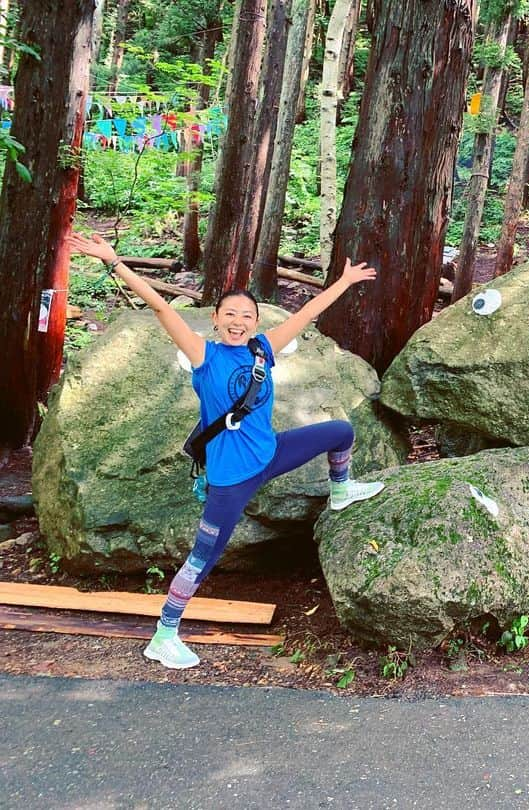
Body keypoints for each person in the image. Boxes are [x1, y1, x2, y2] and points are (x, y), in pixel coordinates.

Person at [67, 232, 385, 670]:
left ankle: (342, 490)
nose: (239, 321)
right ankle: (164, 633)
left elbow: (307, 313)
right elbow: (160, 307)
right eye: (230, 314)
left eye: (247, 315)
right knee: (203, 557)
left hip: (270, 454)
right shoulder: (204, 356)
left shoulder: (262, 350)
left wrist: (344, 282)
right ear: (215, 319)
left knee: (340, 431)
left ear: (255, 322)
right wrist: (114, 261)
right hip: (230, 480)